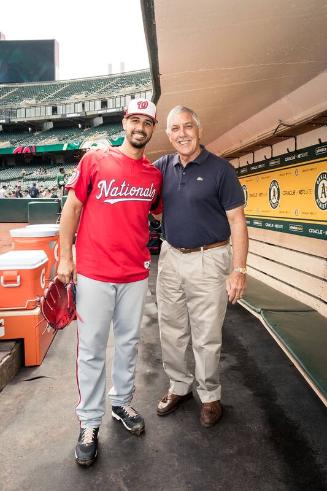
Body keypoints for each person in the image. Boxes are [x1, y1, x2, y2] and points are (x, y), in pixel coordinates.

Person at [57, 98, 162, 467]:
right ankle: (88, 423)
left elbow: (162, 210)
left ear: (152, 129)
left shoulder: (153, 175)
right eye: (135, 120)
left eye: (147, 123)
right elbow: (71, 208)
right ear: (124, 123)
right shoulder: (95, 160)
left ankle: (121, 403)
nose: (140, 128)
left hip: (135, 274)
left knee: (129, 344)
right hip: (94, 273)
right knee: (91, 349)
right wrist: (65, 257)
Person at [154, 106, 248, 428]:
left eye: (188, 126)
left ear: (199, 129)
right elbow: (137, 185)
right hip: (170, 257)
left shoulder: (220, 169)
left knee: (206, 336)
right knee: (171, 329)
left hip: (210, 259)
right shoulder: (162, 166)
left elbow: (237, 221)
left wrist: (239, 270)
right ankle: (179, 386)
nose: (182, 133)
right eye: (175, 128)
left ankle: (210, 395)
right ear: (168, 134)